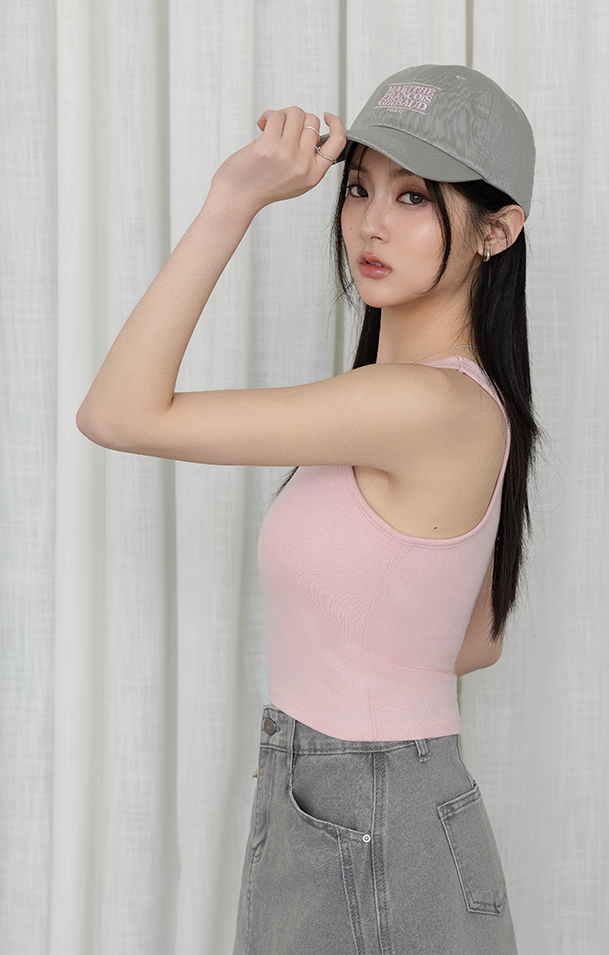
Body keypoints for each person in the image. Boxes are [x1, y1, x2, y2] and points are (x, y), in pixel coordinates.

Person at [77, 63, 537, 955]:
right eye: (358, 187)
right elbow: (471, 639)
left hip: (366, 805)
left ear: (497, 229)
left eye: (413, 197)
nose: (370, 222)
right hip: (363, 800)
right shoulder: (451, 403)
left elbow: (117, 413)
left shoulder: (416, 404)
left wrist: (232, 201)